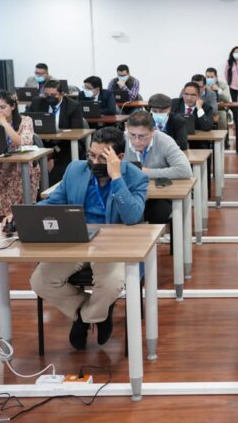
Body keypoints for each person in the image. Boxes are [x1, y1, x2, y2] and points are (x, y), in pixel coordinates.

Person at [19, 127, 148, 350]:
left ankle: (88, 318)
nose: (94, 161)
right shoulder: (75, 170)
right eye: (91, 155)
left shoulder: (136, 177)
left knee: (112, 284)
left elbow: (132, 216)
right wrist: (23, 215)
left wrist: (116, 177)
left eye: (101, 157)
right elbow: (54, 203)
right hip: (76, 240)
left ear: (118, 158)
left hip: (112, 247)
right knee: (40, 281)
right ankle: (93, 314)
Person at [0, 92, 40, 223]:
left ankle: (16, 221)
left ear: (12, 106)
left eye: (2, 107)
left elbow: (22, 142)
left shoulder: (26, 121)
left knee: (17, 185)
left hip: (19, 168)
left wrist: (5, 124)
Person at [124, 111, 192, 224]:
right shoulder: (120, 140)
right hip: (130, 193)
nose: (136, 141)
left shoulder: (165, 141)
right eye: (132, 135)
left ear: (153, 131)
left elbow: (185, 170)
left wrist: (148, 173)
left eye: (142, 136)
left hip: (158, 197)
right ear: (127, 128)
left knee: (158, 212)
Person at [28, 80, 84, 184]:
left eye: (53, 95)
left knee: (57, 172)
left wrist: (53, 151)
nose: (49, 97)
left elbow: (77, 130)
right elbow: (26, 121)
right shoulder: (37, 102)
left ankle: (51, 189)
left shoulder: (72, 106)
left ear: (62, 94)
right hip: (42, 144)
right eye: (46, 95)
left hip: (64, 145)